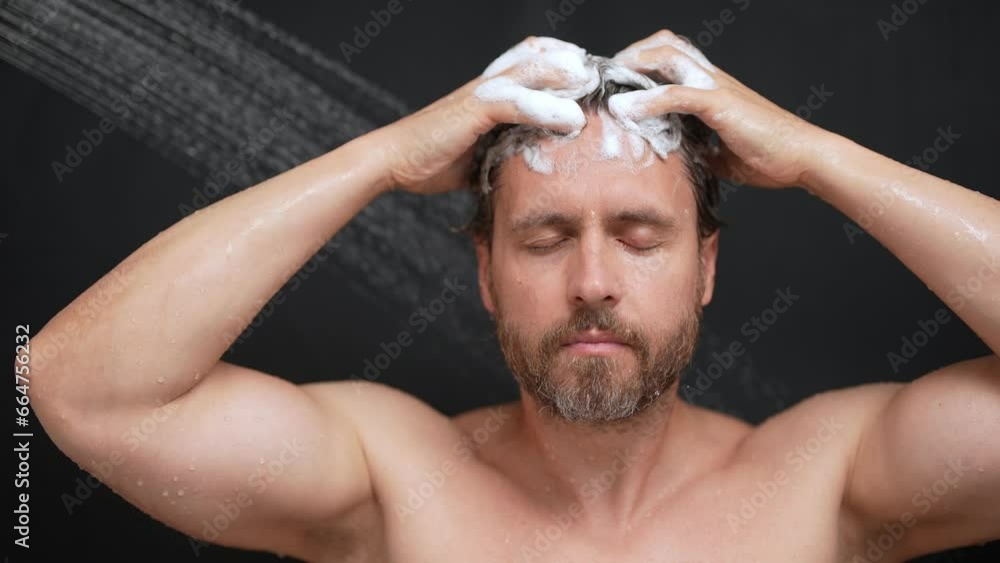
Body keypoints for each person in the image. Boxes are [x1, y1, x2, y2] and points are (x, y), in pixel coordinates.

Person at [29, 31, 999, 562]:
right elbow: (83, 387)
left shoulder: (830, 480)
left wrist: (816, 154)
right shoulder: (391, 482)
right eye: (543, 236)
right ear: (486, 274)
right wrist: (379, 159)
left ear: (705, 266)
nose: (591, 281)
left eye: (638, 233)